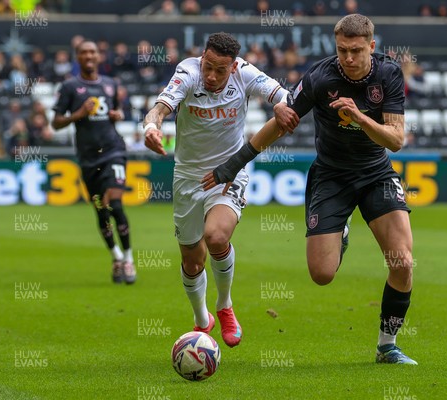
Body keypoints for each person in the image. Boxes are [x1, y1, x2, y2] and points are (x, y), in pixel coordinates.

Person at [202, 14, 418, 364]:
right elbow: (281, 121)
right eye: (342, 50)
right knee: (321, 274)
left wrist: (360, 117)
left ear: (372, 47)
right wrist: (234, 164)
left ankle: (386, 345)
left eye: (356, 51)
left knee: (402, 262)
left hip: (375, 172)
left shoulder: (388, 74)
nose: (348, 58)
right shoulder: (320, 77)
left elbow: (396, 139)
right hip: (331, 176)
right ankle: (342, 229)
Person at [143, 32, 297, 348]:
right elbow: (159, 107)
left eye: (220, 70)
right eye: (208, 67)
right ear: (202, 58)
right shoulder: (187, 73)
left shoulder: (245, 73)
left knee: (216, 236)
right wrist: (151, 127)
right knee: (192, 261)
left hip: (229, 173)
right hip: (188, 177)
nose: (212, 76)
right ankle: (202, 319)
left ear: (233, 67)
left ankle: (224, 305)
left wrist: (282, 106)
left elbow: (283, 95)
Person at [51, 40, 136, 285]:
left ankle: (128, 259)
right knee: (101, 211)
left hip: (113, 151)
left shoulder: (110, 84)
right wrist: (77, 115)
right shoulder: (69, 86)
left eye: (93, 52)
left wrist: (116, 115)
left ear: (99, 56)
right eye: (84, 52)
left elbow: (117, 113)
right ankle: (116, 256)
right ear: (78, 57)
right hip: (89, 160)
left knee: (116, 204)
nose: (89, 55)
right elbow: (55, 122)